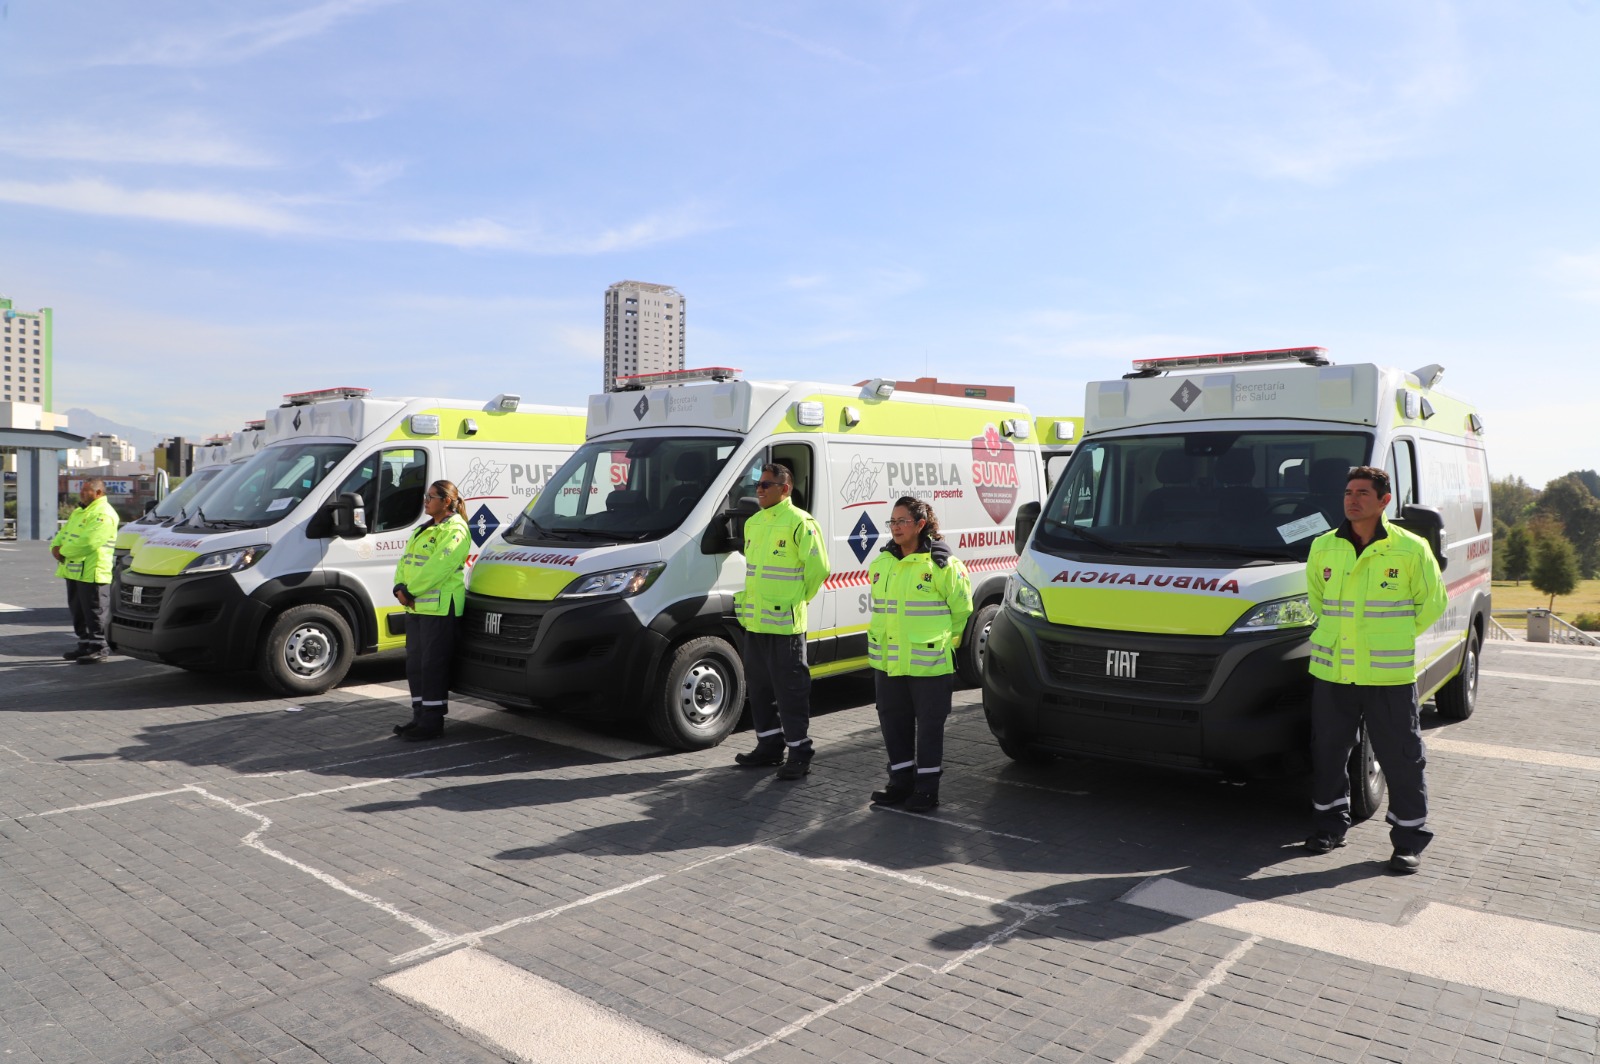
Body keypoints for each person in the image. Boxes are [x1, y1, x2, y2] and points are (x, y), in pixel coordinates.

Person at [1303, 465, 1446, 873]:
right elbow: (1318, 600)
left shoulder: (1411, 548)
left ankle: (1408, 841)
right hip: (1332, 673)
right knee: (1329, 753)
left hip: (1387, 675)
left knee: (1402, 758)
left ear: (1384, 501)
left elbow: (1431, 604)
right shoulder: (1323, 547)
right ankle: (1330, 827)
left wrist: (1390, 638)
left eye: (1363, 493)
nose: (1352, 499)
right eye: (1348, 492)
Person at [865, 497, 972, 812]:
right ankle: (900, 785)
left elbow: (962, 611)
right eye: (892, 522)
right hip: (888, 662)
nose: (895, 528)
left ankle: (926, 791)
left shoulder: (943, 565)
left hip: (928, 665)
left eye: (902, 521)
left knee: (928, 730)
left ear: (921, 524)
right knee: (893, 724)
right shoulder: (882, 562)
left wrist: (939, 642)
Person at [732, 463, 830, 779]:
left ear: (784, 489)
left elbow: (819, 569)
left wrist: (797, 599)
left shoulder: (801, 523)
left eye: (765, 485)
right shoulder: (754, 523)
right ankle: (769, 747)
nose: (758, 490)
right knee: (759, 690)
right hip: (756, 623)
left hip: (786, 626)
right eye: (758, 485)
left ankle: (800, 753)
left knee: (790, 692)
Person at [392, 480, 472, 741]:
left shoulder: (456, 529)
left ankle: (432, 723)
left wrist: (411, 591)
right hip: (416, 608)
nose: (426, 501)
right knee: (416, 664)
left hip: (439, 608)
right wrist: (399, 587)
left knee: (433, 665)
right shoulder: (424, 529)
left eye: (431, 497)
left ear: (446, 501)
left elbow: (439, 566)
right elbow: (405, 561)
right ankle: (419, 717)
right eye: (426, 496)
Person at [51, 477, 120, 664]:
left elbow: (90, 542)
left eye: (87, 490)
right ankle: (84, 645)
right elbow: (63, 533)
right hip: (75, 571)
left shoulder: (104, 514)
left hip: (93, 571)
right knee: (79, 611)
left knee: (95, 612)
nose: (82, 493)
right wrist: (55, 547)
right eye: (82, 490)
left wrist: (62, 552)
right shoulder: (80, 511)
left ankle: (99, 648)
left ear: (98, 493)